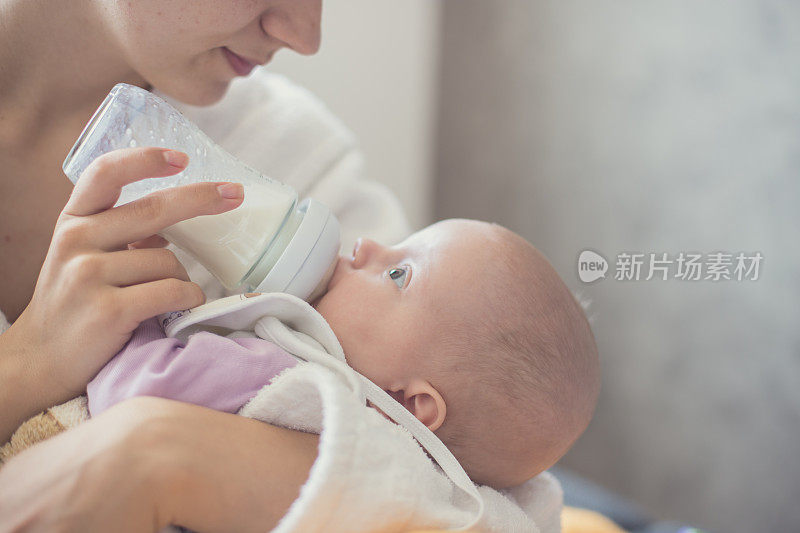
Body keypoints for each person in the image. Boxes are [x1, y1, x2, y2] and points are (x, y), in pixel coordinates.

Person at [0, 0, 412, 530]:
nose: (304, 37)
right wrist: (29, 363)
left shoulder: (292, 154)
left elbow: (469, 473)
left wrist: (159, 451)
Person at [4, 218, 599, 494]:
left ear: (411, 402)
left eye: (399, 272)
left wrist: (137, 317)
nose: (368, 243)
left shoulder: (291, 384)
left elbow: (126, 398)